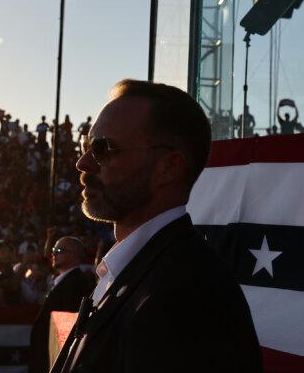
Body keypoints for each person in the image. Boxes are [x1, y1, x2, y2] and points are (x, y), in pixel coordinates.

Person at [51, 80, 261, 373]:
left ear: (169, 167)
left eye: (103, 148)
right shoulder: (139, 271)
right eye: (87, 147)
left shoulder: (188, 296)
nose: (83, 163)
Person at [28, 236, 96, 373]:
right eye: (54, 249)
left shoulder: (75, 285)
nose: (54, 253)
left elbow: (66, 333)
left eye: (59, 250)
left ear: (74, 256)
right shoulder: (66, 282)